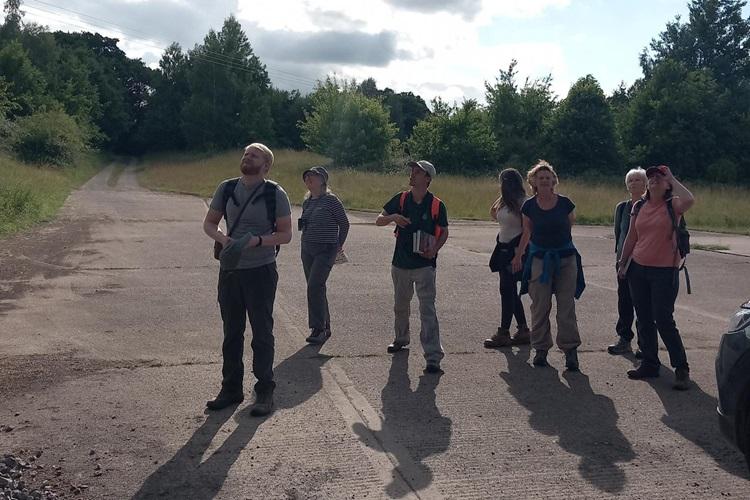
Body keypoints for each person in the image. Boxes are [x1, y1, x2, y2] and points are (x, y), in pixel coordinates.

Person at [202, 143, 293, 415]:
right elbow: (209, 223)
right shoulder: (227, 188)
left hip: (261, 270)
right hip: (230, 270)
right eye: (245, 153)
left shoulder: (274, 193)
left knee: (262, 332)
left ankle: (265, 390)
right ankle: (231, 389)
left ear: (266, 165)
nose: (247, 157)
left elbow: (286, 234)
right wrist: (223, 238)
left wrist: (258, 241)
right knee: (232, 332)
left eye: (254, 155)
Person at [617, 165, 694, 390]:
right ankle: (650, 364)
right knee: (643, 318)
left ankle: (681, 368)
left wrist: (671, 176)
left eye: (659, 179)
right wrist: (623, 263)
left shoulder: (673, 205)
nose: (653, 181)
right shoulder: (639, 206)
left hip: (664, 271)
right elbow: (632, 236)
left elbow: (690, 199)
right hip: (638, 269)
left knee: (663, 320)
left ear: (668, 185)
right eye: (650, 178)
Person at [376, 160, 449, 374]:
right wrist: (393, 218)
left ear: (427, 178)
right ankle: (401, 339)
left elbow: (444, 231)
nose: (412, 174)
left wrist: (434, 249)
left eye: (417, 172)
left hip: (425, 265)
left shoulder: (436, 204)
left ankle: (433, 356)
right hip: (400, 263)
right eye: (412, 171)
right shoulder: (401, 199)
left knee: (427, 309)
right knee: (400, 305)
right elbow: (379, 220)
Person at [511, 160, 584, 371]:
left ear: (554, 180)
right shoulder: (529, 206)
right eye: (540, 177)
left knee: (566, 306)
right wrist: (518, 255)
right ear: (533, 181)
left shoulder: (565, 203)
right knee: (540, 305)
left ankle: (570, 351)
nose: (544, 180)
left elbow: (569, 224)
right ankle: (541, 349)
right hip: (539, 259)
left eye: (548, 177)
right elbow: (527, 231)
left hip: (565, 259)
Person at [298, 166, 350, 345]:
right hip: (307, 249)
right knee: (316, 288)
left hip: (325, 249)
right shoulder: (307, 202)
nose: (309, 179)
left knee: (314, 286)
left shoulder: (331, 201)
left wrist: (338, 245)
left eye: (313, 176)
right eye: (307, 176)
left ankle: (318, 328)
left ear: (323, 181)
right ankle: (325, 326)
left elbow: (344, 224)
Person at [484, 168, 530, 348]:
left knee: (507, 290)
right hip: (502, 248)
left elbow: (527, 230)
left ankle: (504, 332)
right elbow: (493, 213)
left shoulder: (524, 202)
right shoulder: (505, 202)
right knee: (509, 290)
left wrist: (519, 255)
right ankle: (524, 329)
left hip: (515, 250)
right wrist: (502, 197)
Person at [608, 167, 647, 355]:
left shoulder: (650, 206)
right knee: (624, 302)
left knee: (643, 304)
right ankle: (624, 338)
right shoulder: (621, 207)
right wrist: (620, 259)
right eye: (630, 180)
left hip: (644, 262)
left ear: (645, 184)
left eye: (638, 180)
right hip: (624, 261)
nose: (634, 183)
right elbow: (619, 233)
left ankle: (644, 343)